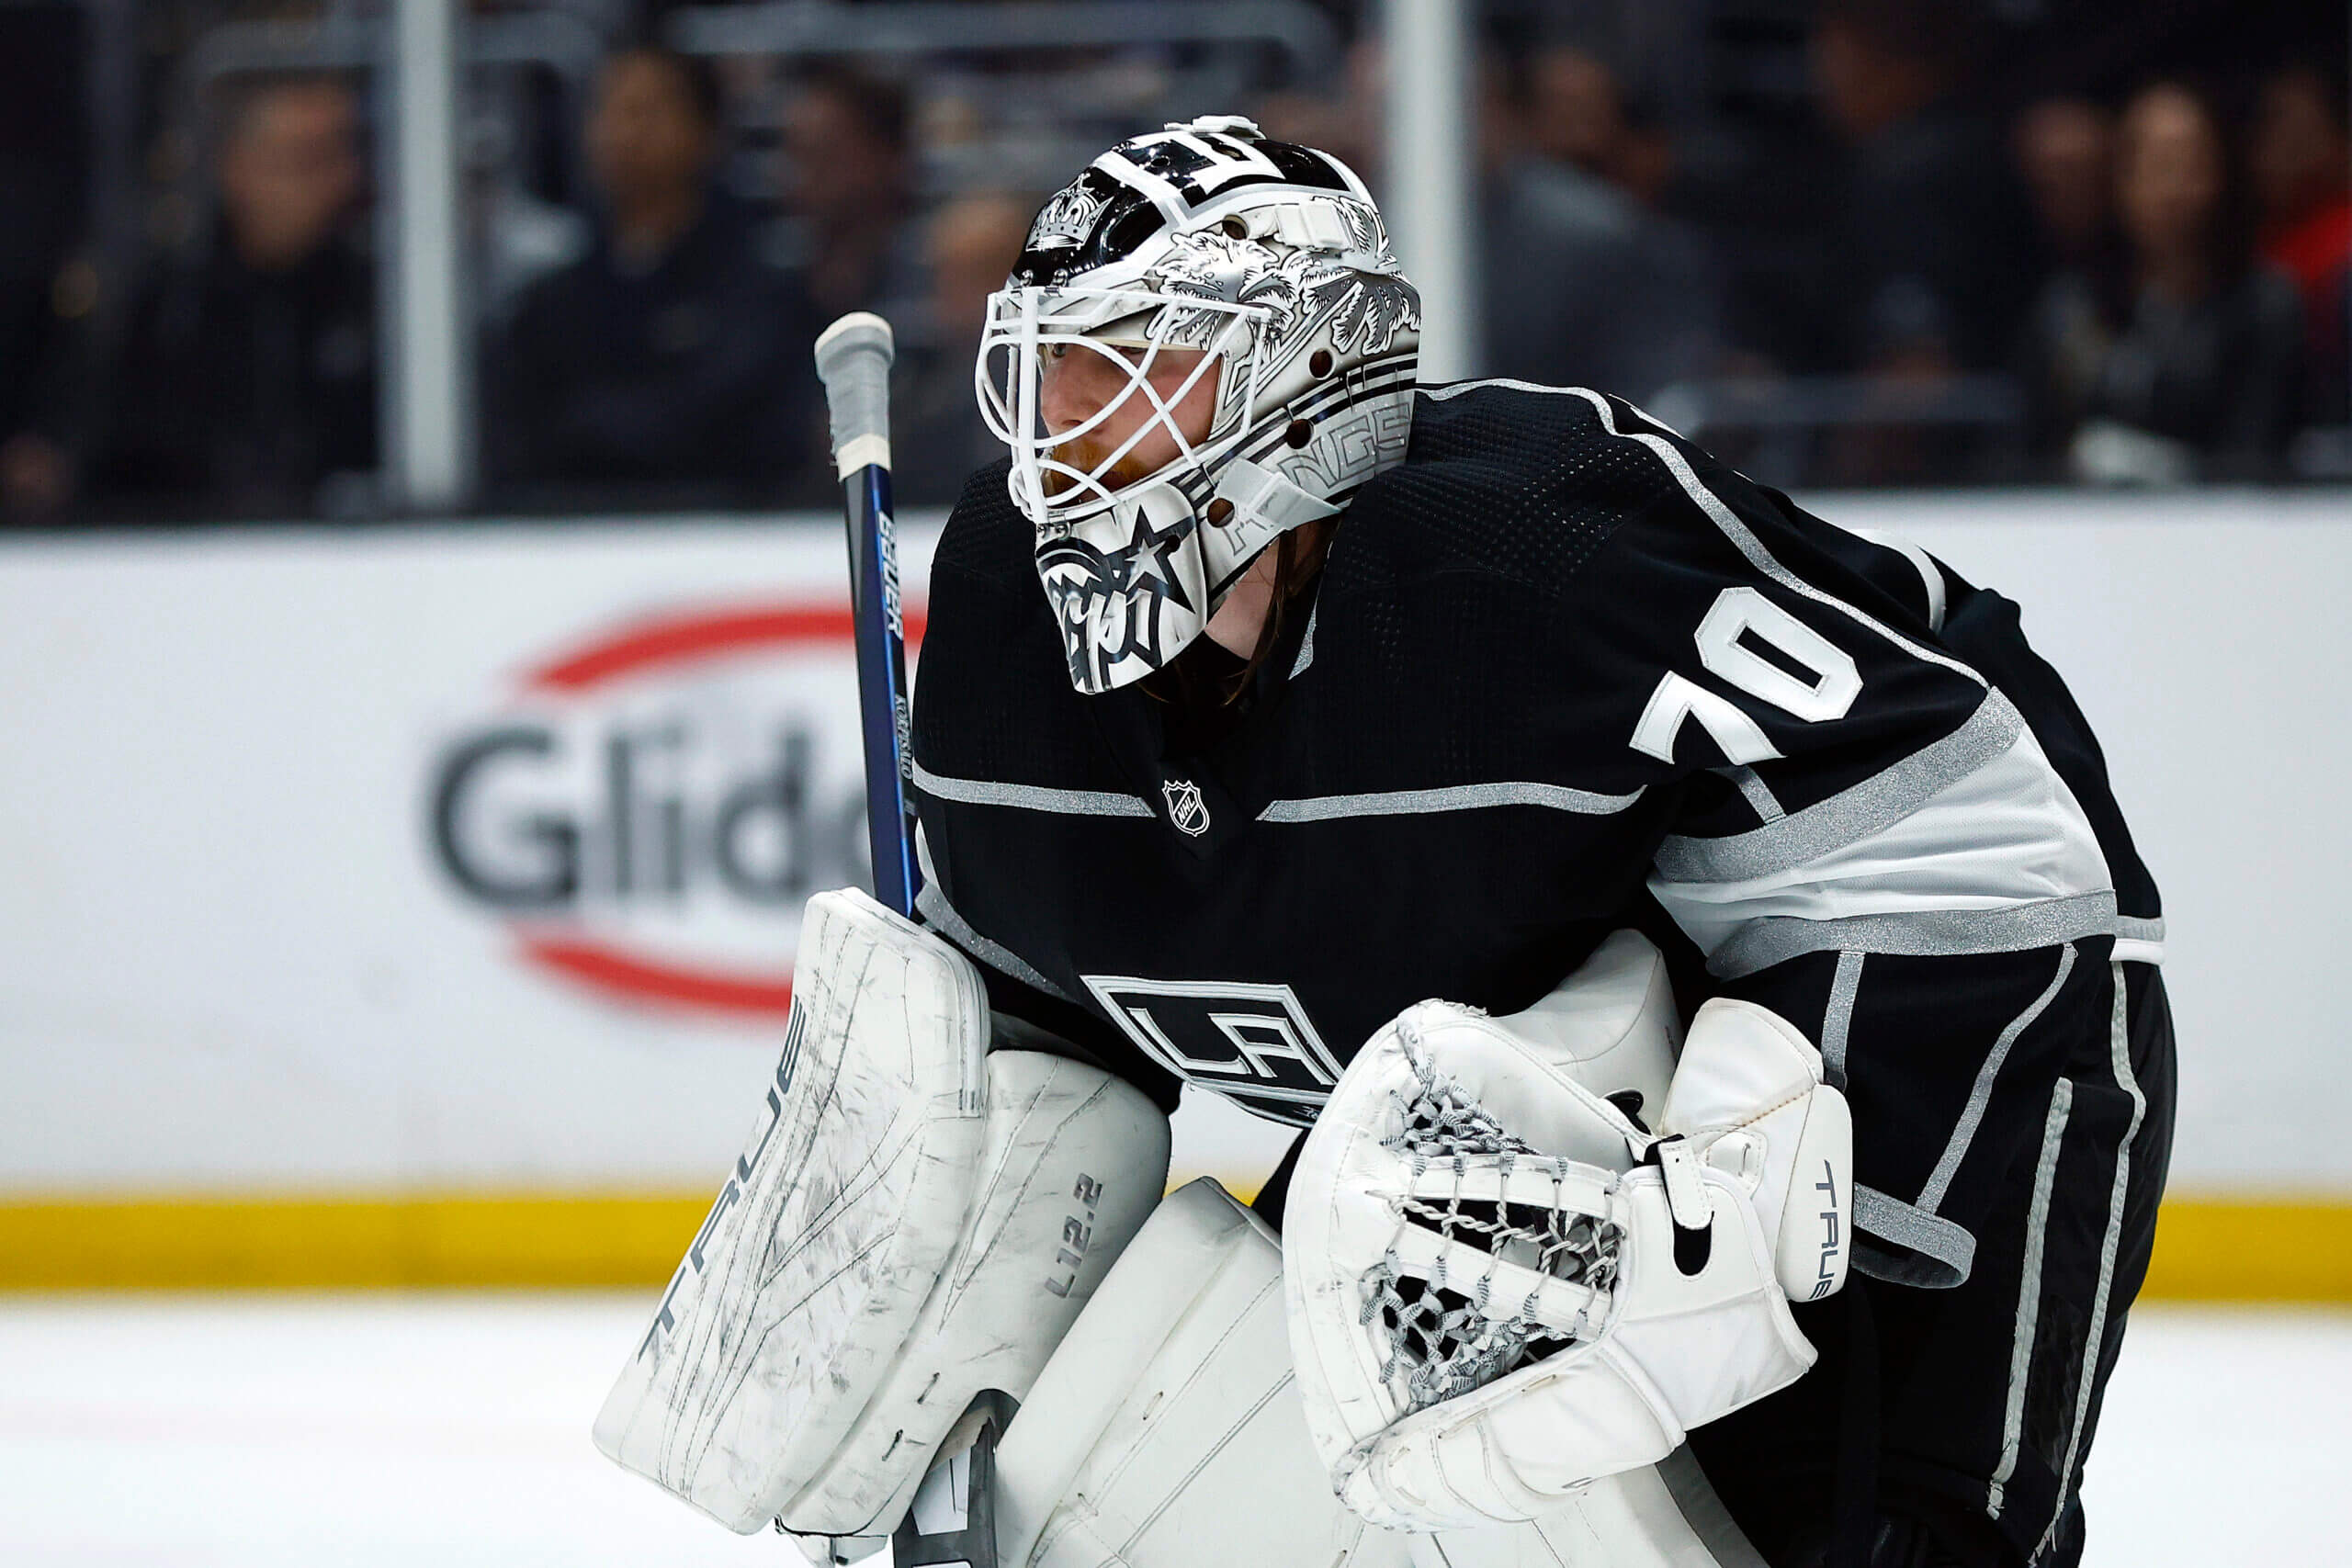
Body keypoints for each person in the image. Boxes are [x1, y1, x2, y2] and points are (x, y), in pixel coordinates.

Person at [899, 118, 2171, 1568]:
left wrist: (1728, 1203)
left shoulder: (1532, 546)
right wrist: (918, 1234)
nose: (1066, 425)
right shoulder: (1002, 602)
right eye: (1054, 364)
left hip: (1974, 992)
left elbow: (1975, 806)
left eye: (1134, 361)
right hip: (1562, 1096)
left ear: (1306, 376)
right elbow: (1024, 1020)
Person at [490, 46, 814, 507]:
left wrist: (597, 429)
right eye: (609, 110)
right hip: (572, 531)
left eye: (646, 111)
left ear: (705, 130)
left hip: (726, 528)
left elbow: (736, 427)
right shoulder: (551, 303)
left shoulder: (759, 295)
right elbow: (522, 437)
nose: (624, 132)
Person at [85, 73, 377, 519]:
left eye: (347, 153)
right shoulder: (169, 314)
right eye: (309, 159)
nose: (344, 181)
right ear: (237, 168)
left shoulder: (379, 306)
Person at [2024, 80, 2303, 481]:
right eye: (2154, 165)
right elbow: (2036, 447)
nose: (2172, 189)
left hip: (2223, 515)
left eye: (2189, 165)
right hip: (2081, 515)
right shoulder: (2071, 307)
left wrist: (2154, 468)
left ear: (2223, 173)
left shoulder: (2263, 306)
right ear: (2119, 178)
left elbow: (2257, 451)